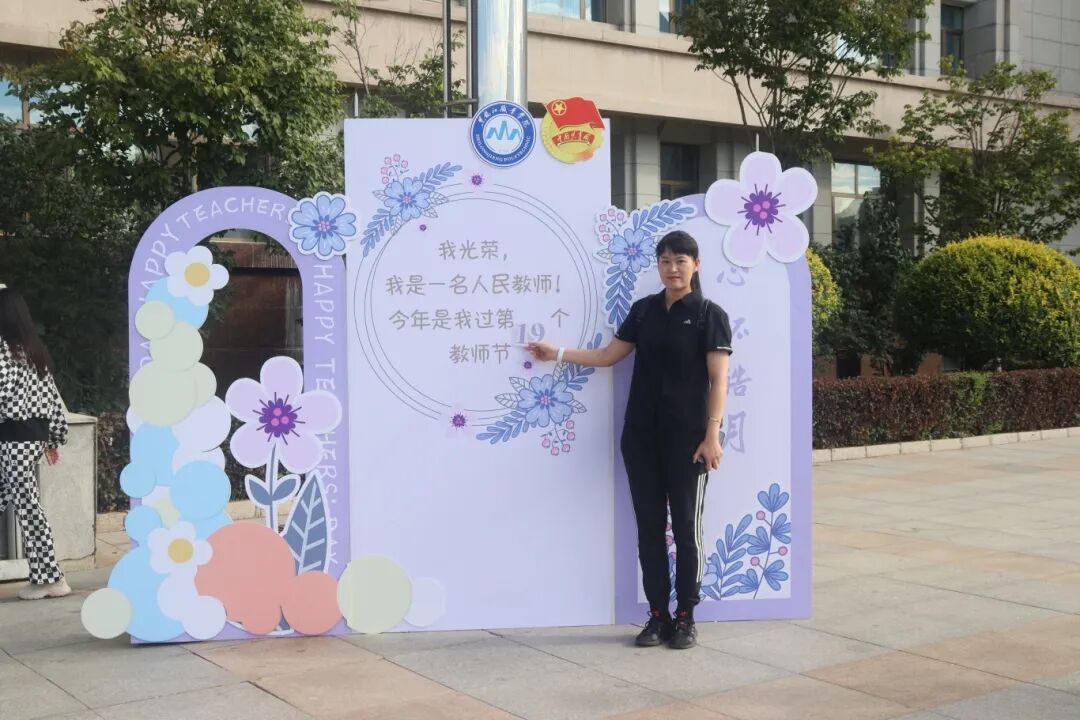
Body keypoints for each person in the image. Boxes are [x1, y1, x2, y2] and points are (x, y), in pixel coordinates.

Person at [527, 230, 732, 650]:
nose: (672, 269)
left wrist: (712, 435)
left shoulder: (710, 314)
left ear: (696, 265)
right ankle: (657, 616)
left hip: (689, 442)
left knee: (687, 531)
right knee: (649, 530)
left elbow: (719, 379)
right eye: (665, 261)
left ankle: (686, 617)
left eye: (681, 261)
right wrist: (557, 353)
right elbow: (608, 356)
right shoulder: (644, 311)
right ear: (657, 265)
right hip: (640, 438)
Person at [0, 287, 70, 600]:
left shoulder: (4, 351)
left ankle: (50, 578)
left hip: (11, 439)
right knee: (25, 504)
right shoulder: (33, 350)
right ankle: (49, 578)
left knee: (28, 507)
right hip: (29, 437)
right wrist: (52, 438)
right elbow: (51, 398)